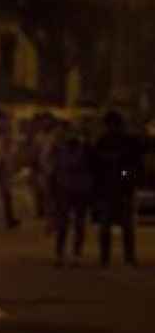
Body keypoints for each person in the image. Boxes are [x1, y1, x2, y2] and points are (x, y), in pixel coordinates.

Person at [90, 111, 142, 267]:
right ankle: (106, 257)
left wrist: (123, 174)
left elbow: (133, 166)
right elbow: (96, 165)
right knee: (107, 226)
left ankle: (128, 256)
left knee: (126, 226)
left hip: (122, 188)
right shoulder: (103, 141)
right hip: (108, 188)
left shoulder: (129, 141)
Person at [52, 126, 93, 265]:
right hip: (66, 190)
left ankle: (75, 253)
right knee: (64, 224)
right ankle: (60, 253)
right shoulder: (61, 151)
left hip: (79, 190)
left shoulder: (85, 150)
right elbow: (56, 170)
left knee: (78, 224)